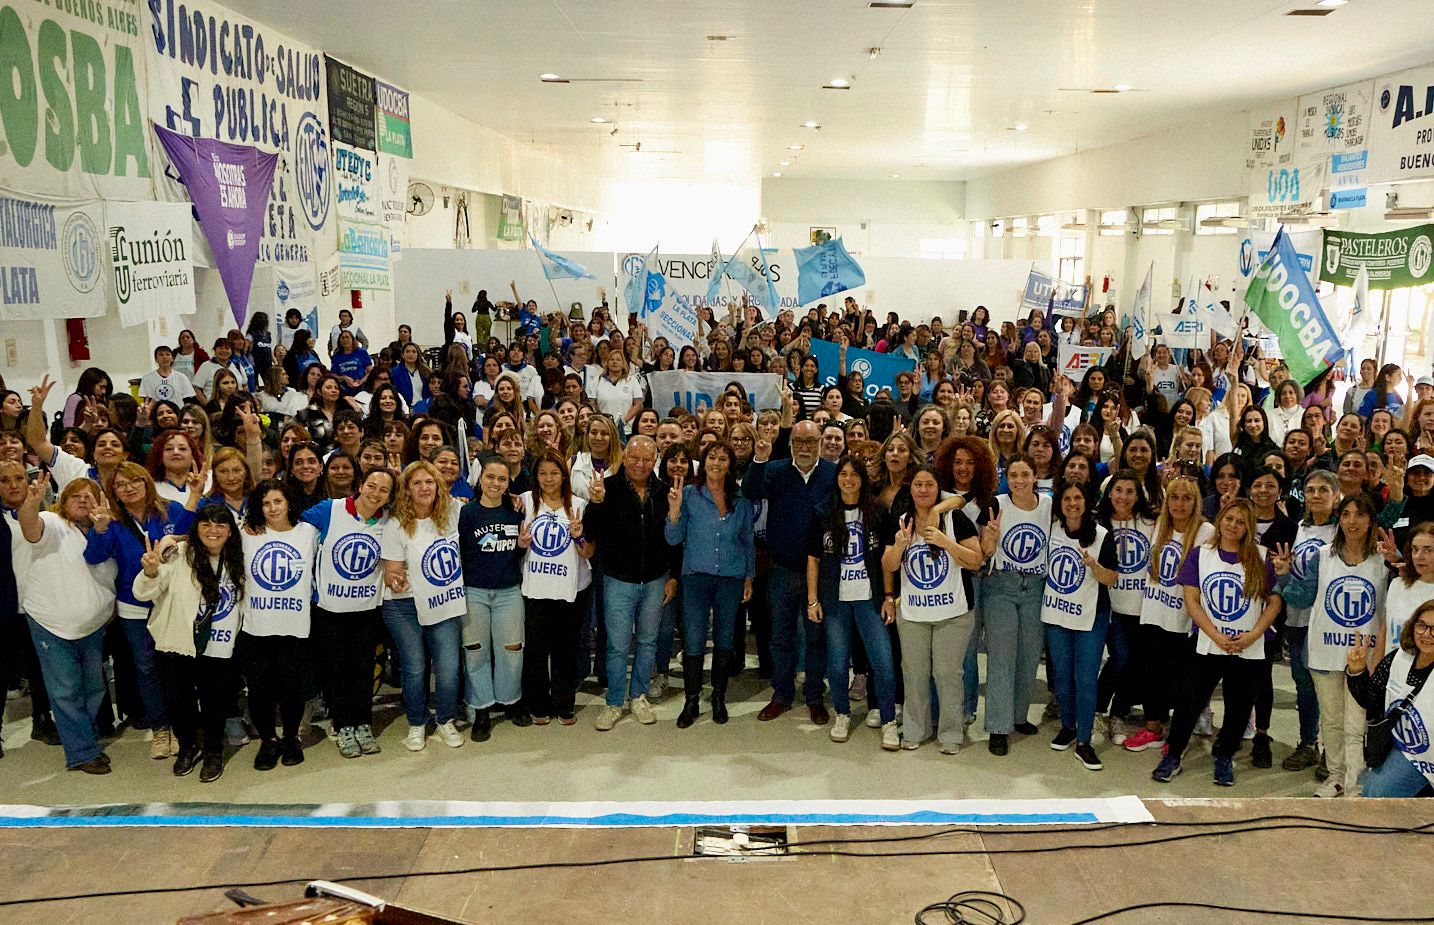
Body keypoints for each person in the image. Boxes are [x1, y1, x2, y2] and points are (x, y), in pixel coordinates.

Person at [1153, 499, 1283, 787]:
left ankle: (1224, 755)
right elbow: (1192, 599)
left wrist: (1253, 635)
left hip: (1247, 647)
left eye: (1241, 522)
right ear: (1220, 519)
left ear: (1249, 528)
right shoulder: (1201, 555)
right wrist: (1215, 635)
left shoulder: (1261, 557)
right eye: (1229, 519)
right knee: (1189, 702)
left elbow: (1274, 601)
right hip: (1209, 644)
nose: (1234, 525)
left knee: (1239, 706)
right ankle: (1174, 753)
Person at [1273, 493, 1389, 797]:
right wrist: (1284, 577)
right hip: (1325, 652)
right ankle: (1337, 776)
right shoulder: (1323, 556)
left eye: (1360, 514)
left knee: (1358, 723)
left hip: (1364, 658)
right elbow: (1303, 598)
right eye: (1347, 514)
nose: (1352, 521)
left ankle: (1357, 780)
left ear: (1371, 520)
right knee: (1333, 721)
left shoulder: (1383, 559)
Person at [83, 463, 200, 759]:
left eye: (134, 480)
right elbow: (94, 557)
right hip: (134, 605)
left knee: (181, 663)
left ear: (147, 482)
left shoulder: (170, 510)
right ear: (114, 493)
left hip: (173, 600)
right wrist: (98, 529)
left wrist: (195, 496)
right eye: (121, 485)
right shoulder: (112, 521)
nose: (129, 487)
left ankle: (184, 723)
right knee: (147, 668)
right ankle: (161, 728)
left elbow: (192, 533)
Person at [132, 504, 246, 782]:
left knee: (214, 703)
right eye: (206, 524)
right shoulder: (179, 556)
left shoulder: (238, 560)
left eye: (220, 525)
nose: (213, 531)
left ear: (230, 531)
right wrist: (149, 571)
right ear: (196, 529)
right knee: (179, 703)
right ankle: (187, 746)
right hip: (177, 645)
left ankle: (213, 752)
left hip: (219, 646)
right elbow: (144, 593)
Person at [18, 477, 116, 773]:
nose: (83, 500)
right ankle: (82, 752)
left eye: (90, 495)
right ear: (64, 500)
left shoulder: (107, 530)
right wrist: (32, 502)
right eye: (76, 495)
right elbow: (30, 529)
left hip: (92, 625)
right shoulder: (52, 522)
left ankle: (85, 737)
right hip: (52, 623)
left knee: (94, 686)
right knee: (66, 689)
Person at [883, 466, 984, 753]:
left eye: (929, 484)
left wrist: (945, 542)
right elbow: (888, 565)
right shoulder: (902, 520)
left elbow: (975, 560)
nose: (923, 489)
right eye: (918, 484)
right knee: (914, 673)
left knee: (947, 674)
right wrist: (900, 546)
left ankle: (951, 734)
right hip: (913, 614)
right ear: (910, 489)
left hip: (953, 614)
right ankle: (916, 729)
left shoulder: (955, 518)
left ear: (938, 489)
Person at [743, 420, 838, 724]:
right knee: (780, 636)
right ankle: (781, 695)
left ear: (821, 442)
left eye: (811, 441)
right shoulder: (776, 470)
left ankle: (813, 695)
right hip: (782, 569)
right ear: (791, 443)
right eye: (799, 441)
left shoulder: (833, 474)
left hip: (820, 573)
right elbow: (749, 489)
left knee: (815, 636)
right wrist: (759, 458)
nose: (805, 447)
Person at [301, 467, 395, 759]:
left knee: (363, 670)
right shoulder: (331, 509)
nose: (375, 492)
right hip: (329, 610)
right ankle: (342, 726)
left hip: (366, 611)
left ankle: (363, 723)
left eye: (383, 490)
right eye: (371, 485)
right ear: (361, 485)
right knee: (335, 671)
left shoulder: (389, 522)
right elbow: (292, 527)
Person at [583, 436, 671, 730]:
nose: (640, 464)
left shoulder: (664, 492)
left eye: (647, 459)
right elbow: (590, 531)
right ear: (624, 457)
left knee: (647, 642)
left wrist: (672, 576)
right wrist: (595, 503)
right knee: (618, 645)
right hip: (618, 580)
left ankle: (639, 696)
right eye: (635, 458)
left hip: (656, 579)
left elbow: (672, 540)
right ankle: (614, 702)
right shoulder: (606, 488)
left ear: (655, 461)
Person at [665, 440, 755, 728]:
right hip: (696, 578)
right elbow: (673, 538)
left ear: (730, 465)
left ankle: (719, 696)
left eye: (723, 459)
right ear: (703, 463)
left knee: (726, 638)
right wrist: (675, 511)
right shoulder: (689, 494)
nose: (716, 463)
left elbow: (747, 541)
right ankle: (691, 700)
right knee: (693, 638)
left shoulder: (740, 500)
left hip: (730, 577)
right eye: (711, 458)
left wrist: (749, 576)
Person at [1125, 475, 1214, 753]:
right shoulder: (1160, 525)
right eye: (1174, 497)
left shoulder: (1205, 532)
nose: (1179, 503)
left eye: (1186, 498)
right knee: (1151, 672)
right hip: (1153, 612)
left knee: (1181, 680)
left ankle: (1178, 735)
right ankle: (1153, 728)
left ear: (1196, 501)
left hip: (1184, 620)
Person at [381, 461, 466, 752]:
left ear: (438, 485)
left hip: (444, 603)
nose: (424, 488)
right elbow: (391, 570)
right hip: (404, 606)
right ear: (406, 489)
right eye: (416, 483)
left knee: (449, 667)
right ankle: (416, 723)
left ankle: (445, 721)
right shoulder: (395, 524)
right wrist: (396, 580)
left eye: (429, 482)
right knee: (415, 667)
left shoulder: (453, 512)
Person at [239, 479, 318, 771]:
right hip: (256, 627)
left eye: (278, 501)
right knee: (259, 690)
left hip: (295, 626)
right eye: (266, 503)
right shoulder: (247, 533)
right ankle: (267, 740)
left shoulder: (309, 533)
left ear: (288, 503)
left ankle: (291, 738)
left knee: (291, 688)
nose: (272, 508)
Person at [1041, 481, 1119, 770]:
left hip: (1091, 617)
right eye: (1067, 498)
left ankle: (1084, 740)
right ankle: (1068, 725)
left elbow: (1111, 579)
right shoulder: (1052, 531)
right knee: (1061, 677)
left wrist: (1093, 566)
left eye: (1077, 498)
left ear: (1087, 502)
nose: (1072, 503)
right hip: (1056, 614)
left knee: (1085, 678)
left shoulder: (1101, 536)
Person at [980, 455, 1052, 755]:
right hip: (1001, 585)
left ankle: (1018, 716)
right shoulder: (997, 505)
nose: (1019, 480)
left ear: (1035, 476)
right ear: (1006, 478)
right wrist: (992, 539)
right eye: (1013, 475)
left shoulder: (1049, 506)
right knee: (1001, 657)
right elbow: (985, 552)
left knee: (1028, 655)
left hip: (1036, 586)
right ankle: (998, 726)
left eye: (1025, 474)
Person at [518, 452, 593, 727]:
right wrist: (521, 544)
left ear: (564, 475)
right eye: (543, 473)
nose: (549, 479)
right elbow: (518, 544)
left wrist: (578, 536)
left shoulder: (580, 505)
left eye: (554, 473)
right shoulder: (525, 501)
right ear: (536, 476)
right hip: (535, 589)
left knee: (566, 649)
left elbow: (588, 552)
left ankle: (565, 703)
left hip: (571, 589)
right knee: (536, 650)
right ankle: (538, 703)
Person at [458, 458, 527, 740]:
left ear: (508, 483)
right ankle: (482, 708)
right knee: (476, 652)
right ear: (480, 479)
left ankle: (510, 700)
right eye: (490, 477)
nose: (495, 483)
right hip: (473, 591)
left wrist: (522, 547)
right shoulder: (466, 514)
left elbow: (519, 549)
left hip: (508, 591)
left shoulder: (515, 511)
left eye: (501, 479)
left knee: (511, 651)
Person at [1345, 602, 1434, 798]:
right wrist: (1357, 671)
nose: (1427, 634)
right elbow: (1371, 701)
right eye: (1421, 625)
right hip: (1411, 753)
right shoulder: (1397, 659)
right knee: (1376, 792)